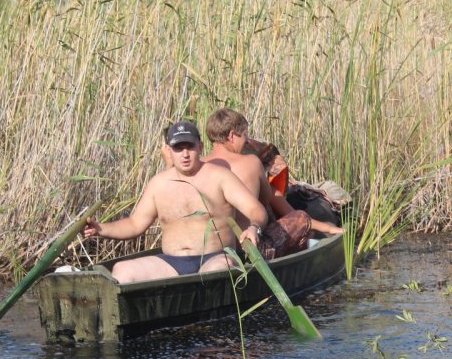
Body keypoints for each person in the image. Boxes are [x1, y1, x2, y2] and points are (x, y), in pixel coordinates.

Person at [82, 121, 267, 283]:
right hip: (173, 262)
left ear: (200, 147)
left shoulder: (220, 177)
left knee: (215, 272)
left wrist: (254, 227)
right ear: (169, 151)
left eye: (190, 147)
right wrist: (100, 229)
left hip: (216, 258)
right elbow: (134, 224)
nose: (185, 154)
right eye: (178, 148)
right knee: (122, 270)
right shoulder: (158, 183)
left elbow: (255, 209)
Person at [204, 108, 343, 259]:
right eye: (245, 135)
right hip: (246, 249)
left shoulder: (199, 167)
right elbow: (267, 202)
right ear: (231, 136)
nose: (248, 141)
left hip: (210, 250)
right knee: (300, 218)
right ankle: (309, 249)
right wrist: (327, 228)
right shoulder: (251, 163)